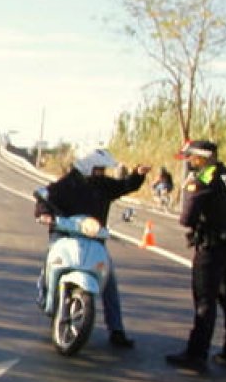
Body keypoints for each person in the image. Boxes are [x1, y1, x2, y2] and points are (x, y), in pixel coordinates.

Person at [34, 146, 150, 348]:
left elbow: (124, 186)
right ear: (88, 166)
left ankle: (116, 329)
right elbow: (45, 197)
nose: (102, 173)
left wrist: (137, 175)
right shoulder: (67, 184)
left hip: (94, 238)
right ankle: (45, 298)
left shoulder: (103, 185)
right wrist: (44, 214)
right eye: (99, 169)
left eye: (102, 169)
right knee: (50, 262)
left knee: (109, 279)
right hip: (65, 234)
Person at [165, 140, 226, 373]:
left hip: (213, 246)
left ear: (201, 158)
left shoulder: (204, 178)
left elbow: (187, 218)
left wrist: (188, 190)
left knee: (205, 300)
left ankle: (196, 354)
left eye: (191, 158)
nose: (189, 162)